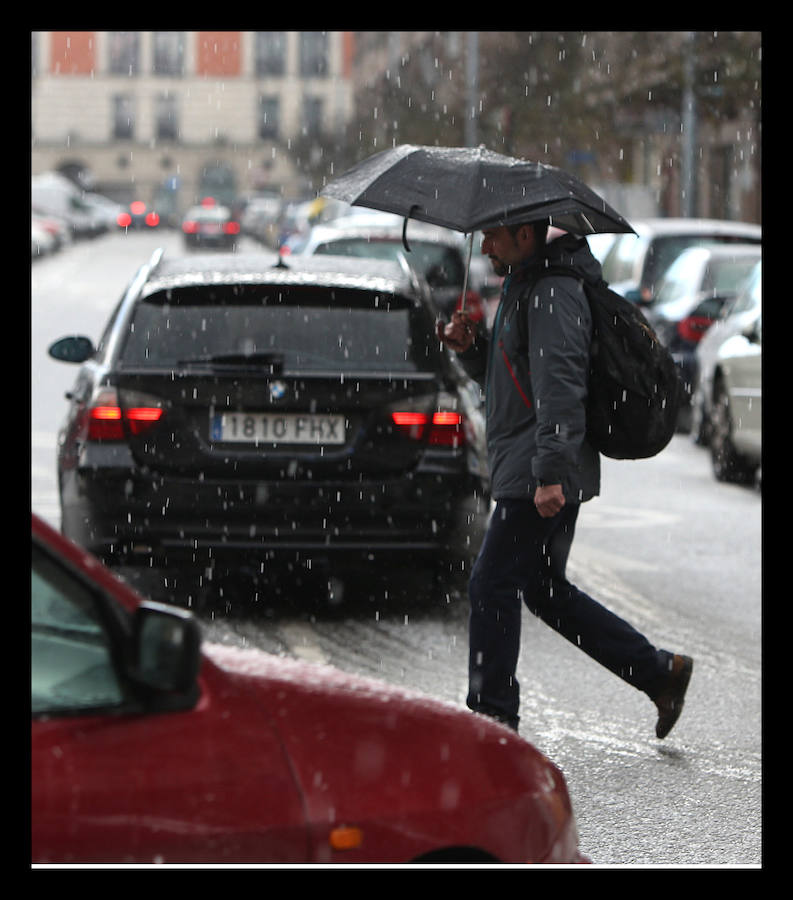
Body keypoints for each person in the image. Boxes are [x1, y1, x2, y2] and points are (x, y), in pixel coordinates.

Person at [437, 220, 693, 738]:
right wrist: (470, 346)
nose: (485, 245)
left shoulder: (553, 291)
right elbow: (514, 373)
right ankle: (658, 672)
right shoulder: (528, 284)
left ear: (525, 236)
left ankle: (493, 722)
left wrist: (550, 472)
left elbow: (560, 384)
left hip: (540, 470)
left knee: (491, 585)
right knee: (541, 588)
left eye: (493, 235)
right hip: (535, 462)